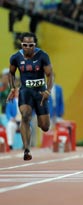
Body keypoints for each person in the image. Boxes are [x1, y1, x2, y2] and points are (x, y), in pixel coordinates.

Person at [7, 32, 54, 161]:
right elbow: (11, 73)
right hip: (25, 91)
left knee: (45, 126)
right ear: (21, 44)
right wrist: (12, 88)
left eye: (31, 45)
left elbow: (50, 75)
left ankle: (36, 123)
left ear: (35, 45)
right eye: (25, 45)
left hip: (40, 92)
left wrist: (48, 91)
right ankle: (26, 149)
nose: (28, 47)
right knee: (25, 115)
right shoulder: (15, 57)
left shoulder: (43, 56)